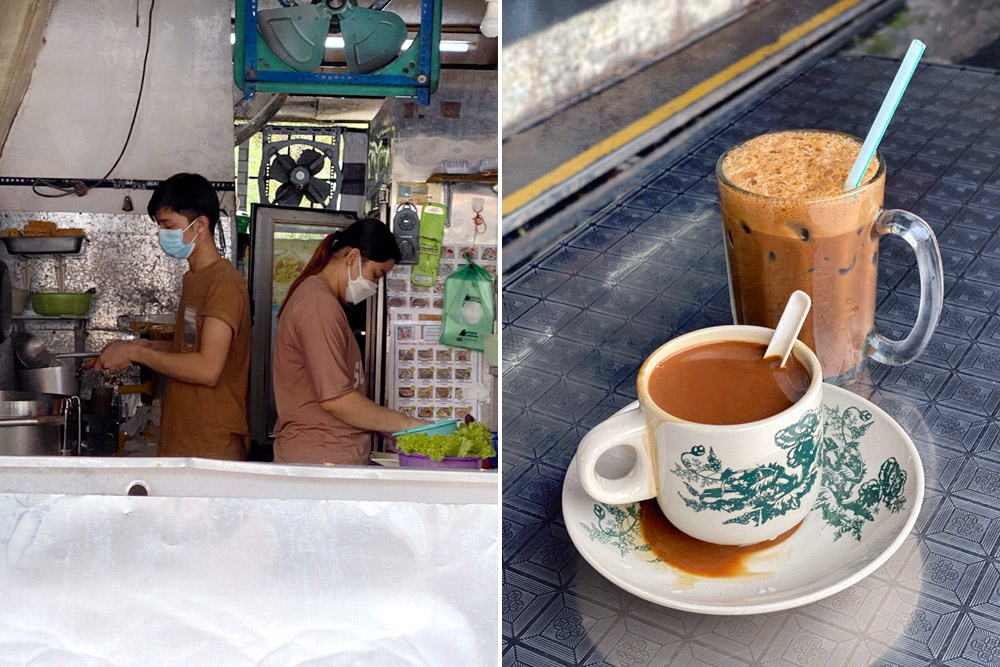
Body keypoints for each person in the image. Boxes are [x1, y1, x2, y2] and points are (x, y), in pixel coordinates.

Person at [92, 173, 251, 460]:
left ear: (200, 224)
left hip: (210, 447)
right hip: (184, 438)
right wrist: (143, 346)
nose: (163, 235)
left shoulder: (224, 284)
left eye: (169, 226)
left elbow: (206, 368)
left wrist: (135, 354)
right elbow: (190, 348)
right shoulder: (195, 279)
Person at [272, 218, 427, 465]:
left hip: (330, 456)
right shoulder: (318, 305)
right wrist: (408, 425)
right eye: (376, 275)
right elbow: (336, 399)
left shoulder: (322, 301)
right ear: (352, 258)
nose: (374, 286)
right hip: (320, 458)